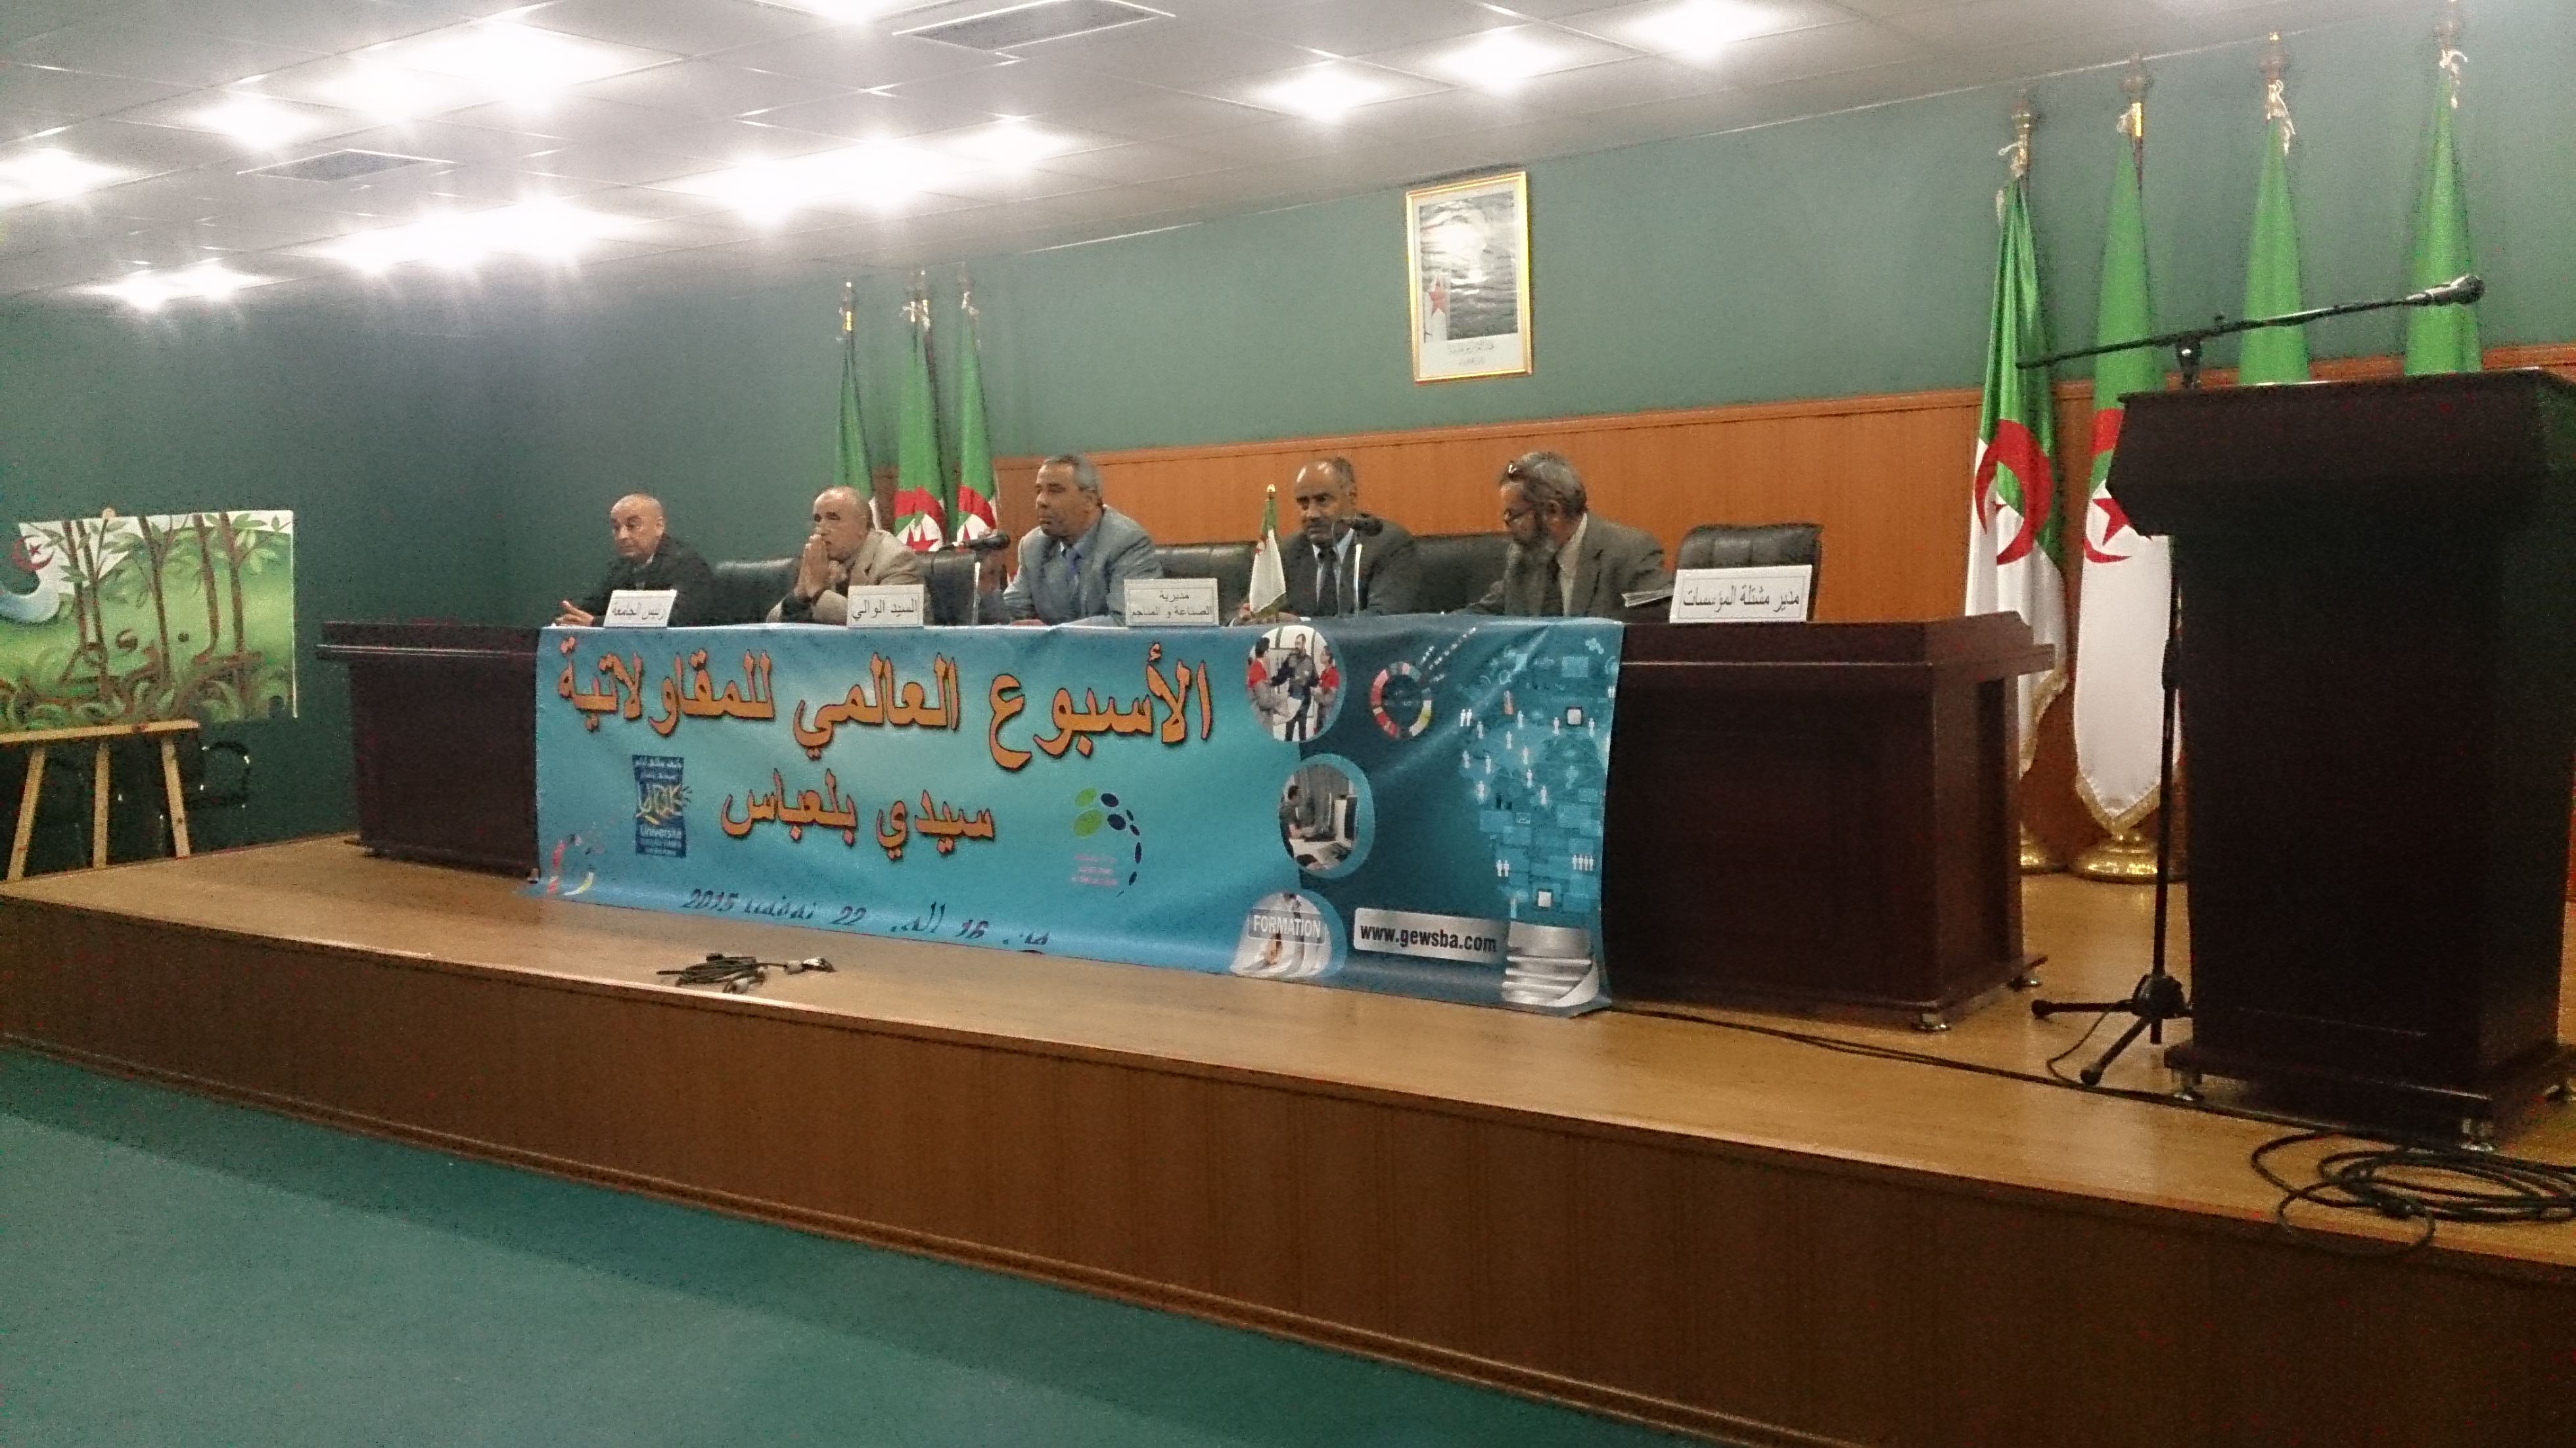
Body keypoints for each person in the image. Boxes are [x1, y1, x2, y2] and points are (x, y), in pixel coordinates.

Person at [1465, 451, 1668, 618]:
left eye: (1514, 515)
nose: (1506, 528)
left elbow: (1663, 620)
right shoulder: (1523, 557)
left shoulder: (1629, 554)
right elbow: (1483, 614)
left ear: (1552, 512)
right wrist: (1446, 628)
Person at [986, 454, 1159, 625]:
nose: (1041, 501)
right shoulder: (1034, 546)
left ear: (1089, 500)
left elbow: (1124, 622)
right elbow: (1012, 615)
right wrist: (989, 581)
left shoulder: (1127, 542)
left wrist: (1051, 634)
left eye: (1055, 491)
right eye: (1039, 491)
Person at [1276, 456, 1420, 618]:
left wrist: (1303, 624)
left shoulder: (1389, 544)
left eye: (1323, 500)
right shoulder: (1288, 552)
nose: (1312, 514)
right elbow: (1265, 611)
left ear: (1352, 496)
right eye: (1303, 503)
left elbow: (1382, 619)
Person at [555, 493, 715, 627]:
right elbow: (592, 607)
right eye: (616, 528)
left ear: (659, 526)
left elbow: (674, 620)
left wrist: (596, 623)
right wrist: (573, 619)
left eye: (632, 526)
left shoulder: (687, 564)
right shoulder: (620, 568)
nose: (622, 536)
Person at [770, 485, 923, 623]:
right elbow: (771, 624)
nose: (820, 530)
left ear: (863, 525)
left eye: (833, 519)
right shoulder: (819, 560)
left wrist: (817, 591)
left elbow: (884, 624)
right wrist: (799, 594)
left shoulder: (896, 559)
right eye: (818, 520)